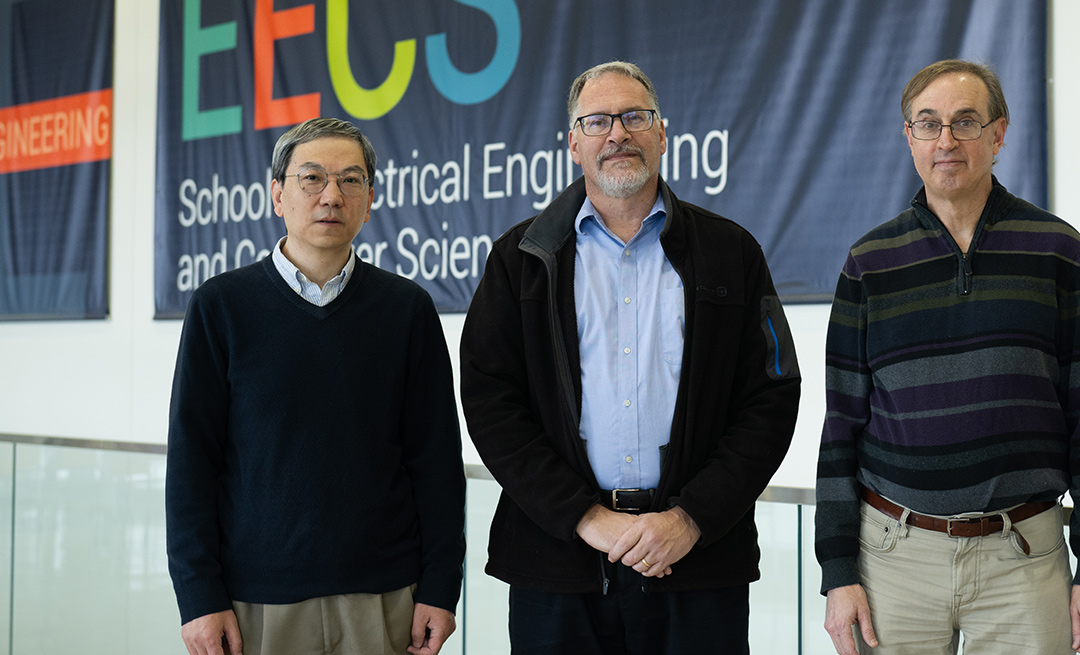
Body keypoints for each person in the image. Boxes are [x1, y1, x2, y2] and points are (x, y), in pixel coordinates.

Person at [459, 60, 801, 654]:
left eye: (634, 117)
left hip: (695, 565)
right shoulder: (519, 258)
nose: (617, 133)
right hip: (558, 567)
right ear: (573, 144)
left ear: (662, 133)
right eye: (597, 121)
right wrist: (585, 518)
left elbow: (771, 398)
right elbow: (491, 403)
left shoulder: (730, 251)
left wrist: (690, 518)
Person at [166, 117, 465, 655]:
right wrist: (198, 596)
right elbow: (192, 462)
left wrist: (443, 586)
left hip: (386, 599)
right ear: (277, 194)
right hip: (255, 603)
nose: (332, 195)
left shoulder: (407, 310)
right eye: (312, 179)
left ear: (370, 199)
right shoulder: (221, 307)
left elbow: (436, 463)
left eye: (351, 180)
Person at [816, 59, 1080, 654]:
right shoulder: (870, 263)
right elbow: (840, 430)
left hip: (1025, 558)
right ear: (908, 136)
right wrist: (837, 572)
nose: (947, 141)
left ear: (999, 134)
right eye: (928, 124)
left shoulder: (1059, 252)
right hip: (894, 561)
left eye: (966, 122)